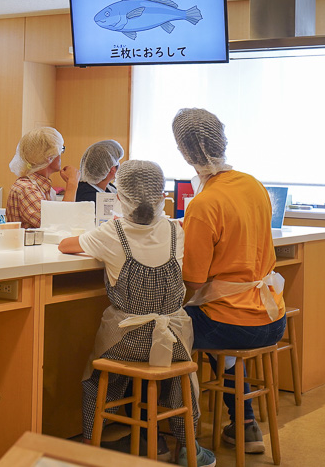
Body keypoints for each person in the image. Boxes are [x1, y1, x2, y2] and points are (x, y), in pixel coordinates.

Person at [59, 160, 211, 466]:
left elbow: (66, 245)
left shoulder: (111, 233)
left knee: (98, 377)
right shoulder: (176, 230)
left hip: (126, 338)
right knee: (178, 382)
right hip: (173, 336)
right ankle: (186, 445)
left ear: (120, 196)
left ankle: (91, 441)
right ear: (162, 195)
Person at [173, 107, 285, 457]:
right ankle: (245, 425)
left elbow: (193, 280)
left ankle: (173, 435)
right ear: (222, 139)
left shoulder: (204, 204)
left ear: (185, 152)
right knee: (226, 324)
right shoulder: (253, 185)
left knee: (164, 327)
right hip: (270, 317)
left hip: (233, 324)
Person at [6, 127, 78, 229]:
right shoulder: (26, 188)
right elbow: (58, 225)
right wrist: (72, 184)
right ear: (49, 157)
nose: (61, 155)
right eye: (60, 150)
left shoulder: (42, 187)